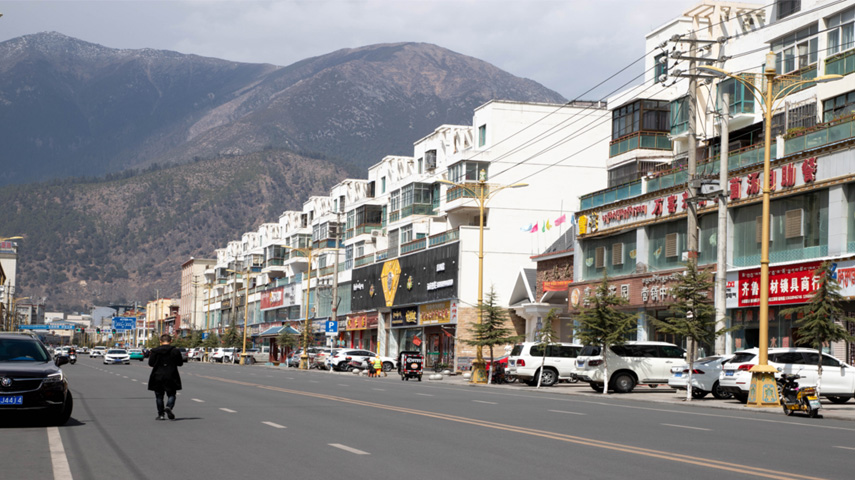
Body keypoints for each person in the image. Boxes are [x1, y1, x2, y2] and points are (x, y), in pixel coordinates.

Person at [148, 334, 183, 421]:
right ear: (171, 341)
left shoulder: (155, 351)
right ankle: (169, 407)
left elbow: (151, 363)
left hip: (157, 375)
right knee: (171, 394)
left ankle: (161, 415)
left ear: (160, 341)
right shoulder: (175, 351)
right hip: (171, 375)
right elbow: (180, 363)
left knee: (159, 396)